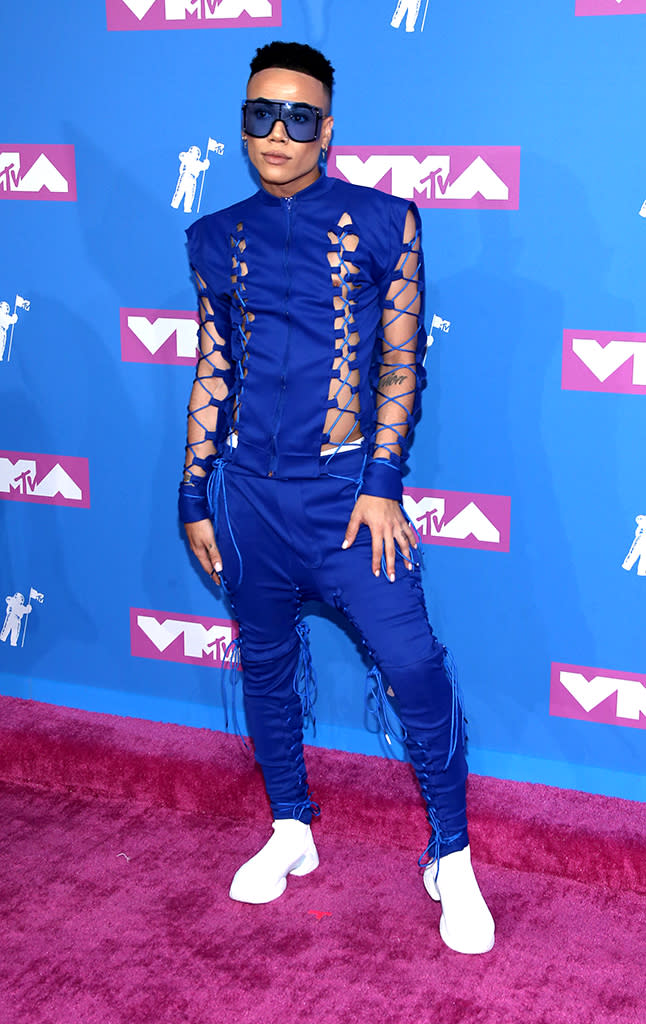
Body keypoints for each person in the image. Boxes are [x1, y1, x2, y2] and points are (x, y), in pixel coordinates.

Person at [179, 41, 494, 955]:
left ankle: (453, 856)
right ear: (242, 121)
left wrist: (383, 483)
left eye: (299, 117)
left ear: (328, 128)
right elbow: (213, 369)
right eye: (259, 114)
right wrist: (195, 493)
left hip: (348, 497)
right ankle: (290, 828)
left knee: (415, 667)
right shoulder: (212, 237)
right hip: (247, 500)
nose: (277, 133)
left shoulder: (387, 221)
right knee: (267, 665)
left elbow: (403, 362)